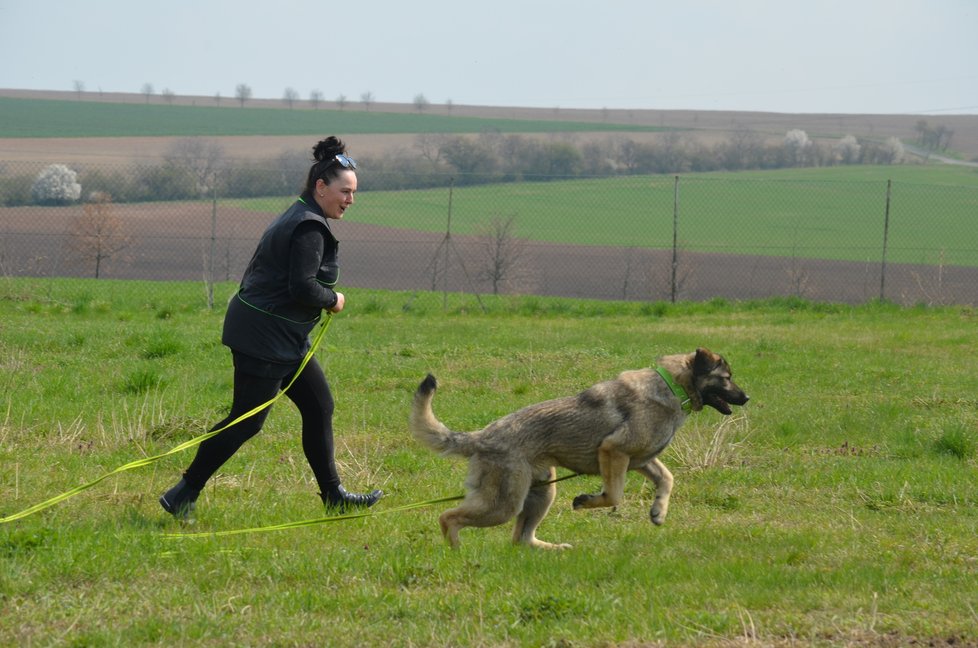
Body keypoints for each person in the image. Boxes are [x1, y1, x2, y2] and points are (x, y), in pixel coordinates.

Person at [159, 136, 383, 520]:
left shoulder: (300, 214)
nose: (350, 200)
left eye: (354, 193)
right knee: (246, 421)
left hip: (283, 337)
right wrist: (333, 299)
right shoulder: (309, 227)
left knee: (318, 406)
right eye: (345, 192)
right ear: (321, 187)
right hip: (263, 338)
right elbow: (302, 286)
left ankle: (333, 496)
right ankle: (183, 493)